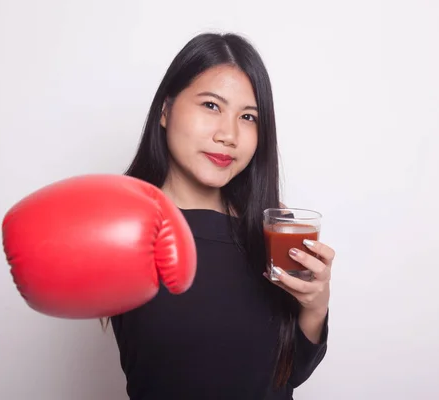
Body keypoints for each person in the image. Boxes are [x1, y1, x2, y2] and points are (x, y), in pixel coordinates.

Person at [107, 32, 336, 399]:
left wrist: (315, 305)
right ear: (165, 110)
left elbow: (289, 373)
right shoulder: (123, 224)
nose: (229, 135)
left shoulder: (274, 228)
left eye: (248, 117)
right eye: (211, 106)